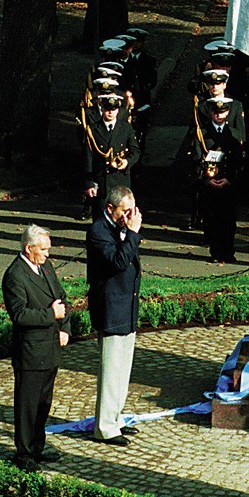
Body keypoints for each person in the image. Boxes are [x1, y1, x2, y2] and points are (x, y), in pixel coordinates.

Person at [2, 225, 70, 472]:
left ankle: (38, 447)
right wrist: (51, 315)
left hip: (50, 347)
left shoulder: (45, 268)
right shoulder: (15, 276)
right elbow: (19, 315)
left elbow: (62, 298)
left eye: (48, 249)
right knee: (27, 406)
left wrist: (65, 327)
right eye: (42, 249)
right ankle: (24, 453)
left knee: (43, 404)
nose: (47, 254)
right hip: (30, 352)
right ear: (28, 248)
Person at [87, 186, 142, 446]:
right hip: (110, 309)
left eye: (132, 210)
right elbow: (118, 263)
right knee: (111, 371)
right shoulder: (98, 231)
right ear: (110, 209)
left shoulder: (123, 229)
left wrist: (129, 233)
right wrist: (131, 234)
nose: (129, 215)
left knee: (123, 370)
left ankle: (116, 418)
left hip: (126, 307)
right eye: (124, 210)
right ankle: (105, 427)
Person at [192, 97, 243, 262]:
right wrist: (206, 180)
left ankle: (228, 252)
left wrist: (230, 179)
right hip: (210, 184)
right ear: (211, 112)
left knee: (228, 221)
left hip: (229, 183)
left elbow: (238, 160)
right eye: (215, 112)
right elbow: (196, 158)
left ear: (228, 112)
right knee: (212, 220)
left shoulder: (234, 134)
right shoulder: (202, 134)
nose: (218, 115)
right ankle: (215, 253)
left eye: (222, 112)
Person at [83, 93, 140, 220]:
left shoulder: (125, 128)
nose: (110, 112)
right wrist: (89, 183)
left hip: (120, 179)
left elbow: (135, 151)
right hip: (102, 180)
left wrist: (127, 162)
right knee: (101, 218)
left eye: (113, 109)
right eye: (107, 109)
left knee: (122, 217)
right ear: (102, 109)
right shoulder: (93, 129)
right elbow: (88, 157)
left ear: (118, 110)